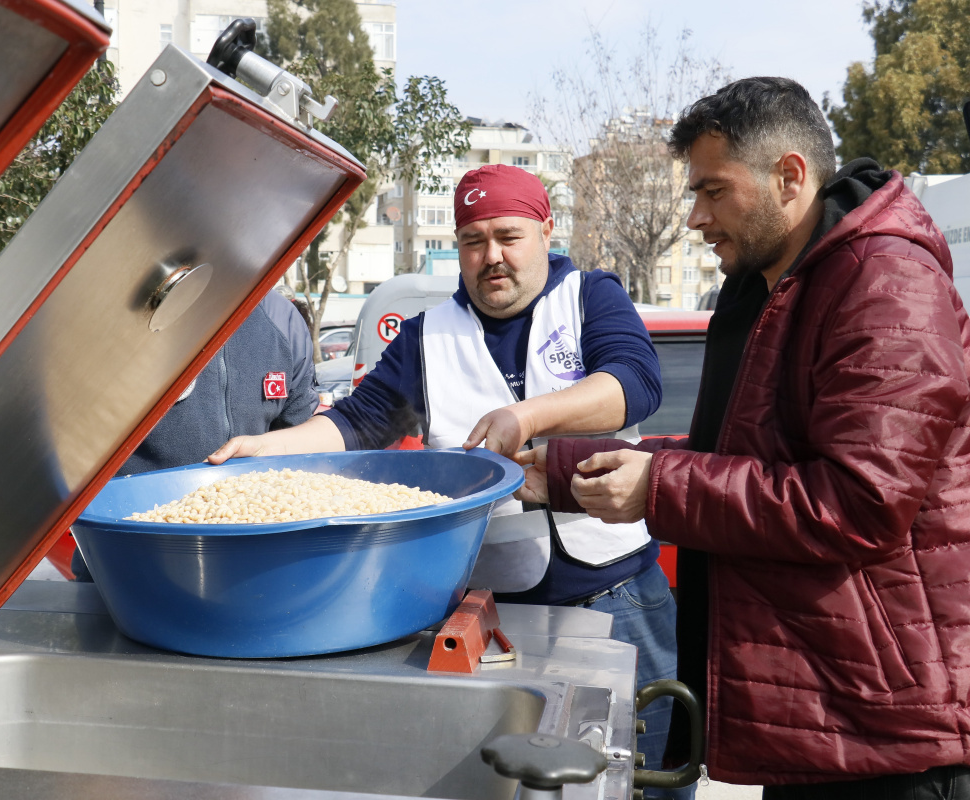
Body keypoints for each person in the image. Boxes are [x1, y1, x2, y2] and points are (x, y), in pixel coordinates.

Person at [514, 77, 970, 797]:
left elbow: (858, 503)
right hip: (822, 715)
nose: (695, 217)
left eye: (713, 190)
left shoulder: (886, 285)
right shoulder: (782, 286)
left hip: (890, 738)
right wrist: (566, 471)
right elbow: (738, 466)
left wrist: (657, 489)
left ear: (790, 176)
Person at [209, 165, 685, 790]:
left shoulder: (591, 296)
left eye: (509, 236)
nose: (492, 256)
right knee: (507, 784)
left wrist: (525, 416)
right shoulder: (427, 337)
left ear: (546, 232)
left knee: (641, 777)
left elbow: (634, 384)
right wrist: (270, 449)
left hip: (617, 599)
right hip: (492, 617)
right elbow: (359, 422)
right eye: (473, 240)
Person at [71, 290, 317, 579]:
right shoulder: (125, 305)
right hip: (127, 558)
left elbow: (298, 448)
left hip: (250, 568)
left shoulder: (281, 318)